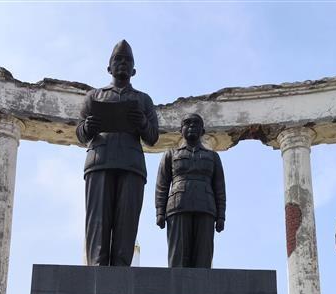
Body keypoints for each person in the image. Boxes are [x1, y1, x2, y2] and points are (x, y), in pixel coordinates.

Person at [76, 40, 159, 266]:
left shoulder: (144, 100)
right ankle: (96, 270)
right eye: (118, 59)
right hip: (99, 163)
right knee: (98, 223)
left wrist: (142, 123)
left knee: (127, 225)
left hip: (131, 166)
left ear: (134, 70)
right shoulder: (94, 97)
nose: (123, 63)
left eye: (127, 60)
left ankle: (122, 273)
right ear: (109, 67)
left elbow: (153, 137)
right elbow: (80, 133)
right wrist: (88, 127)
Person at [154, 113, 226, 268]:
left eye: (196, 123)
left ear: (203, 131)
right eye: (187, 123)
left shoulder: (213, 157)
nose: (192, 126)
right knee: (178, 257)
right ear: (181, 130)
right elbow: (162, 184)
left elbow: (219, 188)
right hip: (178, 208)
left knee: (203, 258)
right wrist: (160, 212)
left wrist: (221, 216)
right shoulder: (170, 154)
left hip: (206, 208)